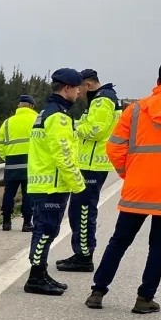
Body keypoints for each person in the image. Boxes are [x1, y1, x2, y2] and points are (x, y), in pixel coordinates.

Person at [85, 59, 161, 313]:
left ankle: (97, 291)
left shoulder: (136, 110)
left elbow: (113, 146)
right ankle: (144, 299)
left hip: (137, 189)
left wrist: (129, 173)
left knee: (118, 242)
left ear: (158, 81)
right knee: (159, 247)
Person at [24, 68, 86, 296]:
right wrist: (79, 184)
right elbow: (63, 154)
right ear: (67, 88)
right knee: (45, 231)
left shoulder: (47, 112)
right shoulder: (58, 117)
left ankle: (40, 273)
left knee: (46, 230)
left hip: (48, 183)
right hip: (52, 184)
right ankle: (35, 277)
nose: (80, 93)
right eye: (77, 88)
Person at [55, 69, 122, 271]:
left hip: (93, 165)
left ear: (89, 85)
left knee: (83, 211)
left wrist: (72, 126)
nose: (78, 92)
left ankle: (84, 256)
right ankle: (81, 253)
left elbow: (95, 130)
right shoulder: (101, 99)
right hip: (91, 163)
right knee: (79, 210)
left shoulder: (103, 100)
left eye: (79, 87)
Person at [0, 96, 38, 231]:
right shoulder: (37, 120)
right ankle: (26, 223)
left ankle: (6, 222)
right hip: (31, 162)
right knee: (28, 193)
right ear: (31, 106)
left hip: (12, 162)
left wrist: (7, 157)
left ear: (19, 106)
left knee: (9, 192)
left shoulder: (8, 122)